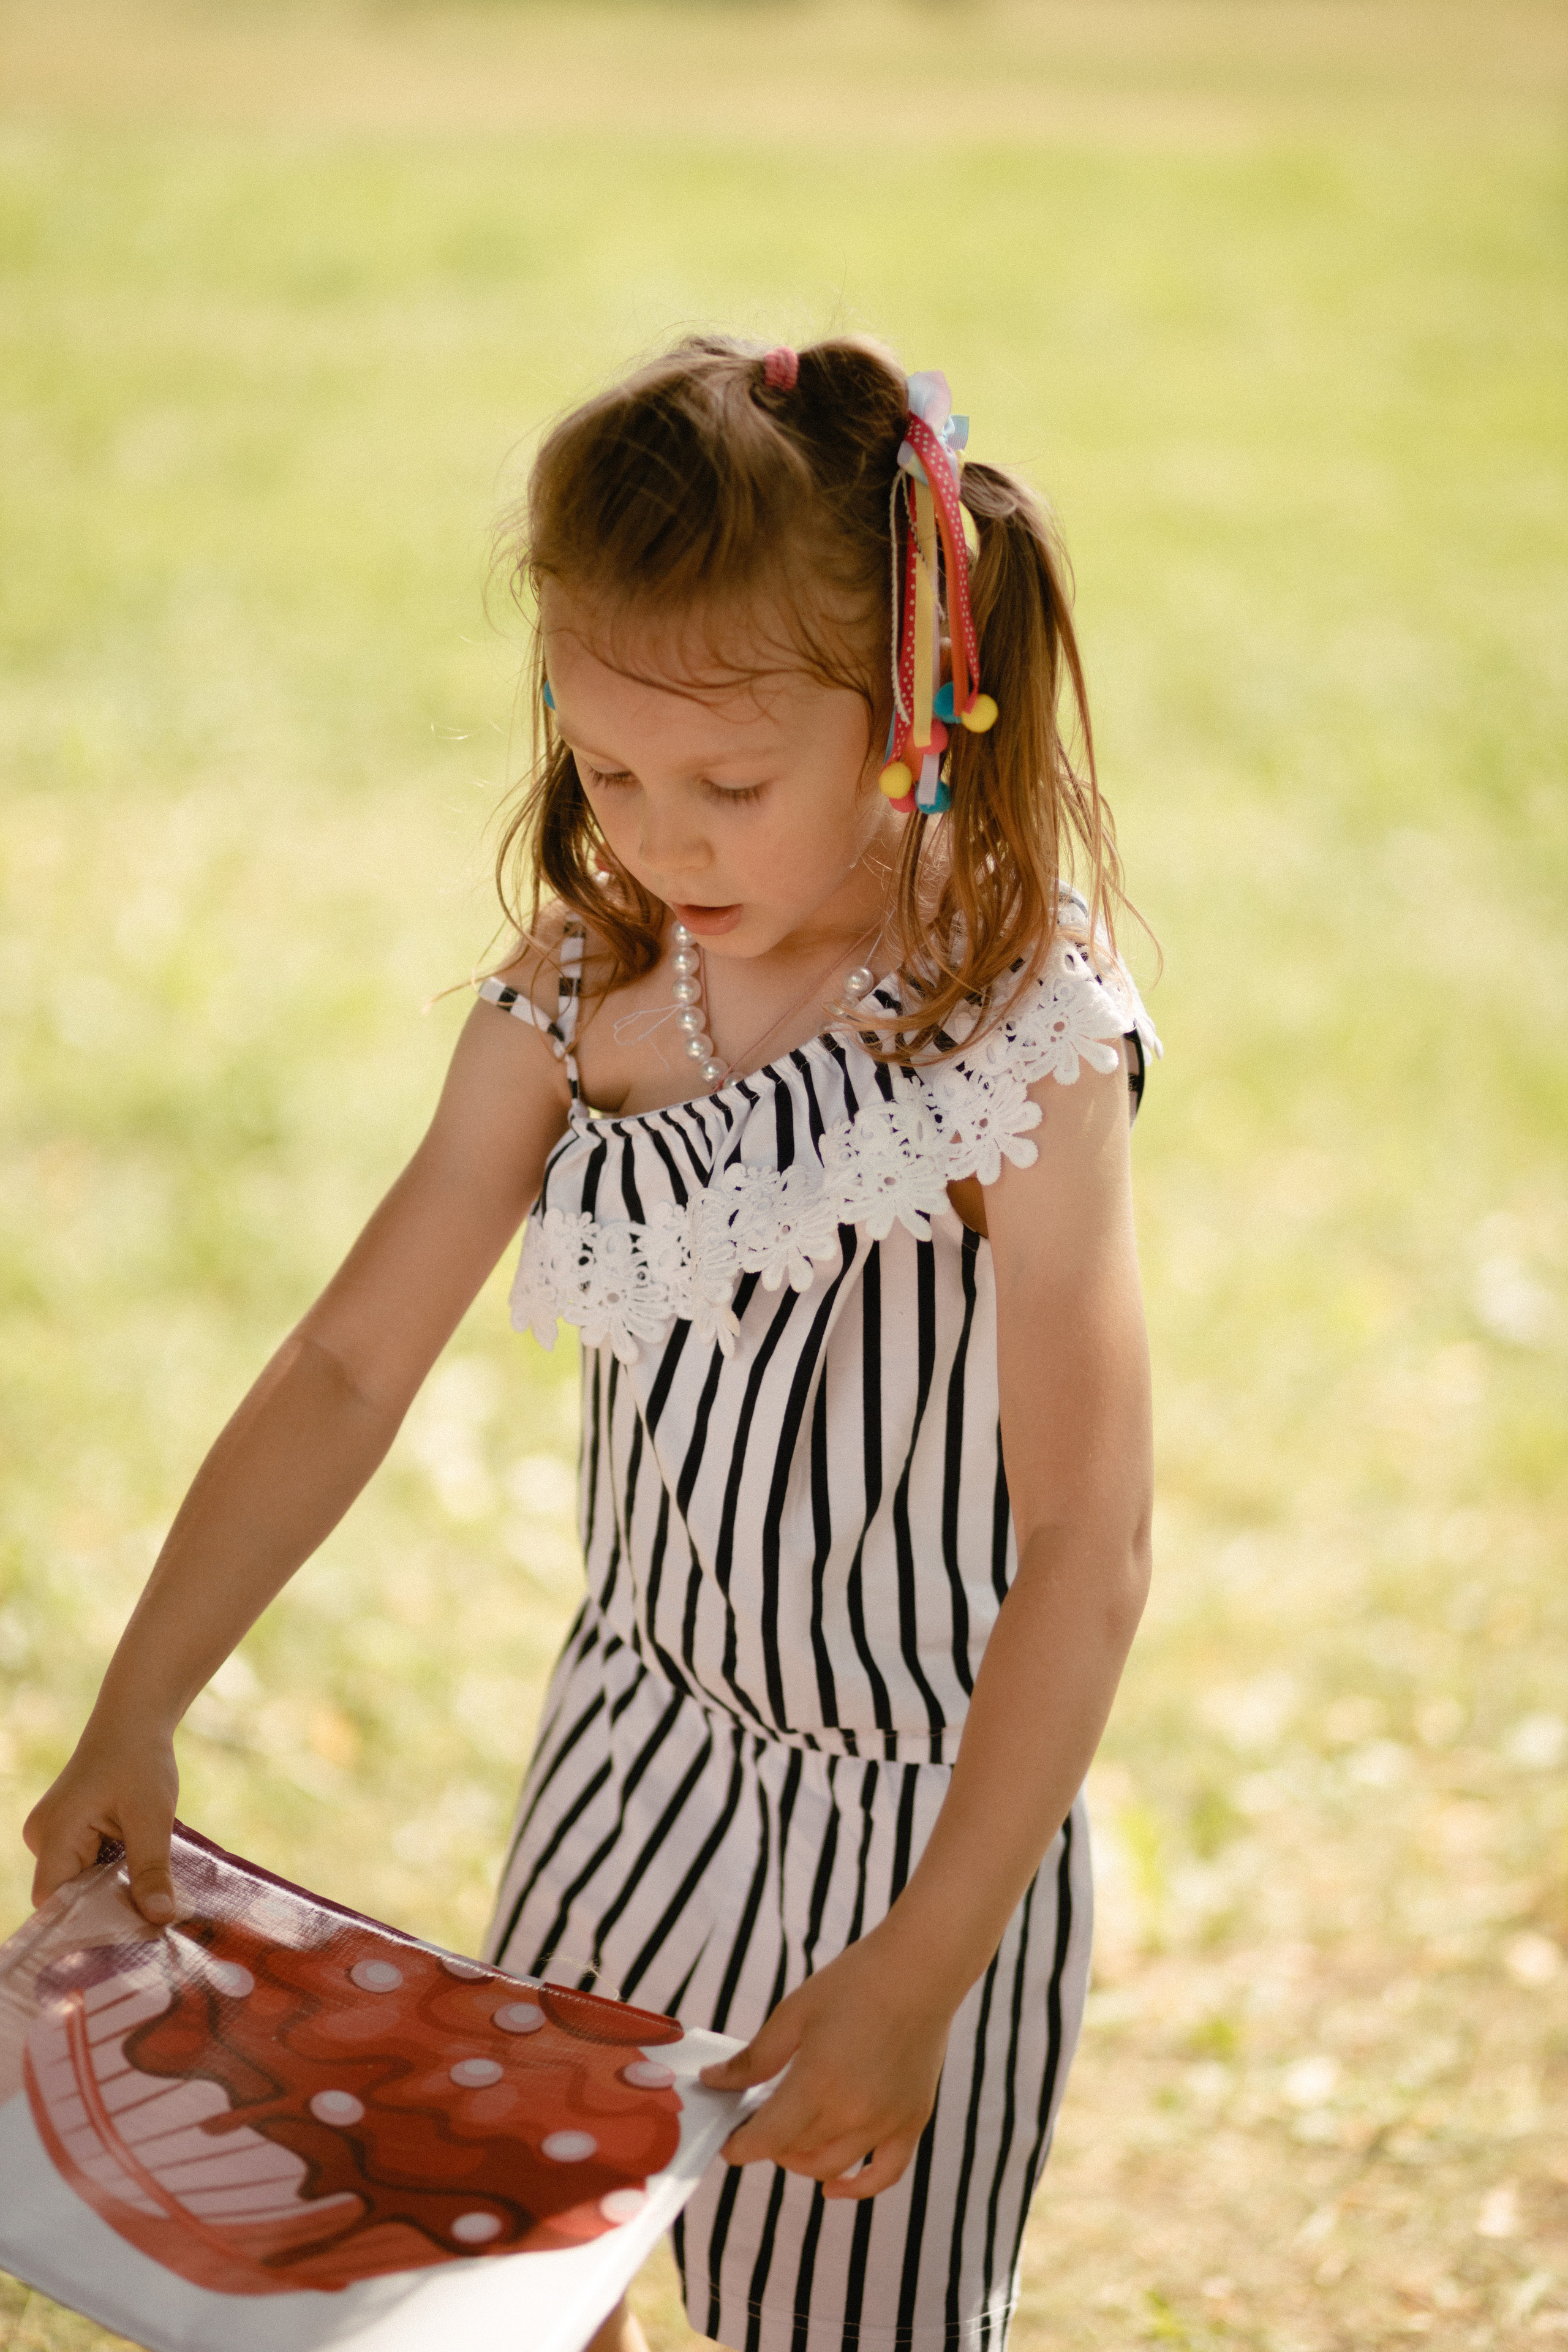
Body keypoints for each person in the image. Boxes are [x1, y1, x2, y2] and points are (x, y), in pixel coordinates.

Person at [24, 333, 1159, 2352]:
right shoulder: (571, 1011)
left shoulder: (1010, 1034)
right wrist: (140, 1700)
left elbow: (1088, 1539)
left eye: (730, 786)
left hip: (921, 1818)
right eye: (605, 765)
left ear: (909, 716)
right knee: (529, 2290)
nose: (662, 841)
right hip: (628, 1765)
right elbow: (348, 1372)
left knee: (848, 2321)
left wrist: (921, 1969)